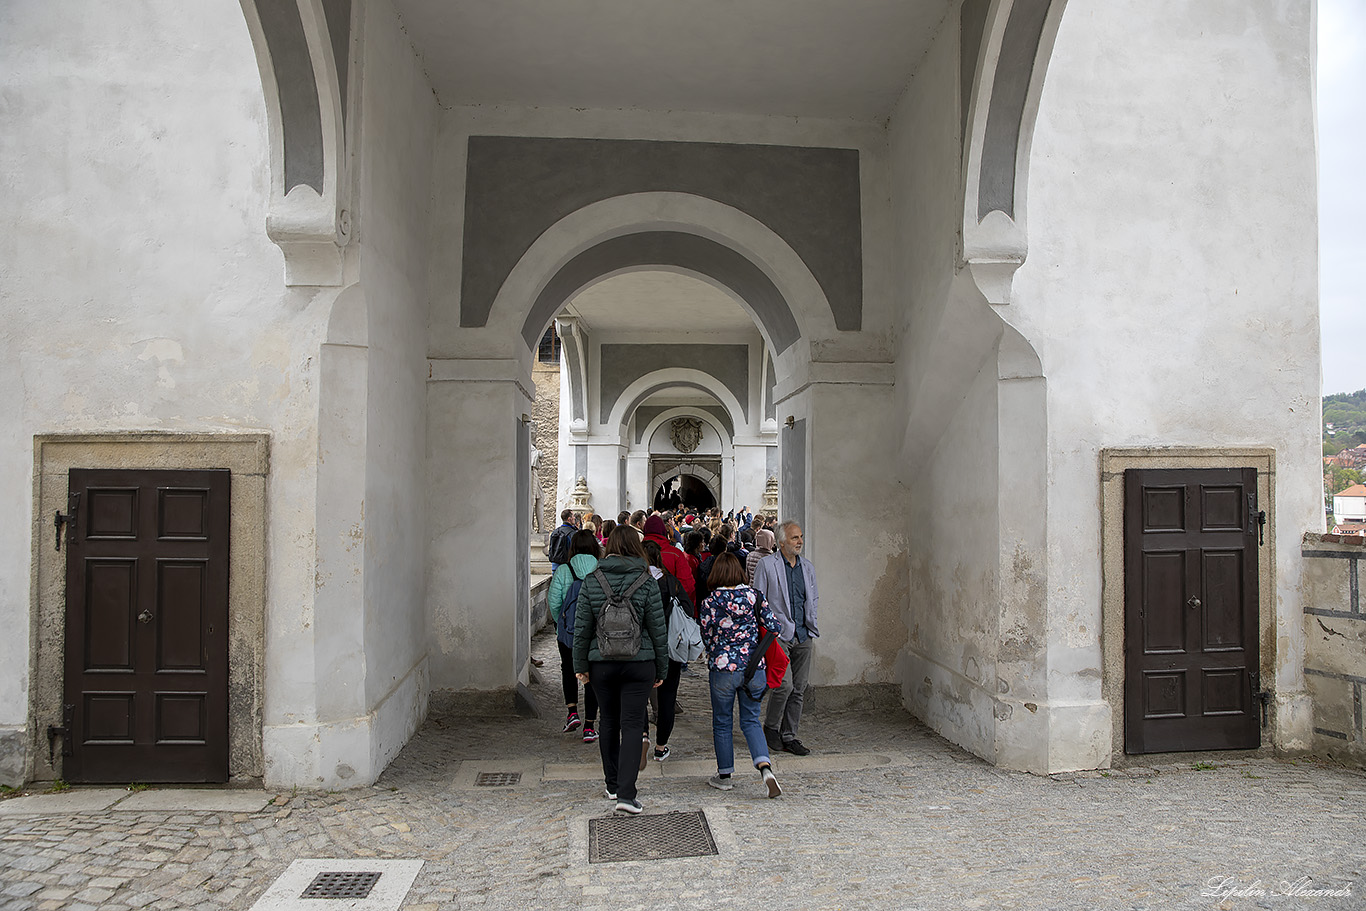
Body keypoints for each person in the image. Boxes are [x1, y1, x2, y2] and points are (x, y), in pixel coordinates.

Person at [573, 525, 668, 815]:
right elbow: (657, 629)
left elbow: (582, 628)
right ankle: (627, 794)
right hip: (639, 664)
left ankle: (612, 785)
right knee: (631, 726)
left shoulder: (592, 581)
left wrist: (580, 665)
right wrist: (661, 668)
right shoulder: (647, 581)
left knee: (609, 723)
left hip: (601, 663)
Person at [699, 553, 782, 798]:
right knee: (751, 720)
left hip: (723, 669)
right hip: (753, 668)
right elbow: (775, 627)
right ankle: (765, 768)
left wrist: (718, 647)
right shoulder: (755, 597)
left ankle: (724, 775)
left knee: (722, 721)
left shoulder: (710, 601)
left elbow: (705, 634)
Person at [752, 521, 818, 756]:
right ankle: (771, 727)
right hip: (778, 634)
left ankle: (790, 735)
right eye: (794, 538)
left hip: (803, 633)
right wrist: (764, 632)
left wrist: (812, 623)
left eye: (800, 537)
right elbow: (758, 600)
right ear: (781, 543)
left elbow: (812, 598)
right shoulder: (767, 565)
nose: (799, 541)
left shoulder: (807, 567)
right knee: (784, 685)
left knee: (799, 688)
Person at [548, 529, 600, 741]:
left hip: (568, 633)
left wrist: (561, 623)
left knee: (568, 670)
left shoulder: (563, 570)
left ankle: (572, 713)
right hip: (593, 633)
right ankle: (589, 726)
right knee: (592, 677)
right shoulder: (599, 569)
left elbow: (553, 602)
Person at [642, 540, 690, 762]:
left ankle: (642, 736)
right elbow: (688, 610)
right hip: (670, 646)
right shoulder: (671, 582)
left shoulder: (636, 582)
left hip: (642, 648)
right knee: (668, 697)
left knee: (638, 695)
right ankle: (661, 747)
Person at [642, 515, 696, 604]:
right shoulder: (675, 553)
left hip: (641, 607)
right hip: (670, 607)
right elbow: (687, 585)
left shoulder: (636, 552)